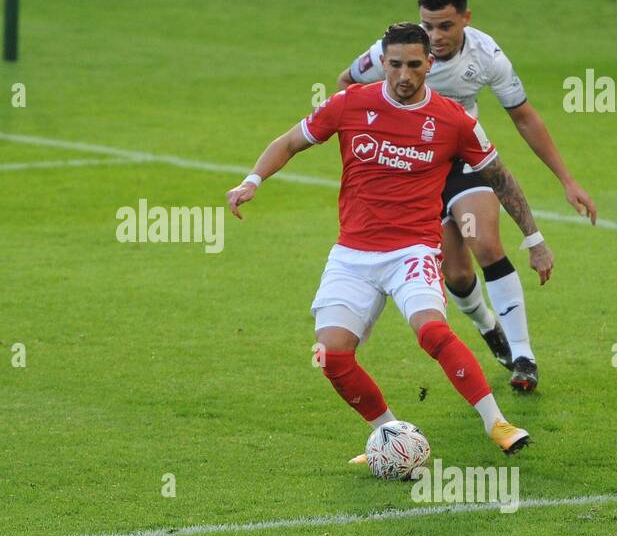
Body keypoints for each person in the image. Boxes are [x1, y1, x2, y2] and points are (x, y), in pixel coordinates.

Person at [231, 23, 553, 456]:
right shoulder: (350, 103)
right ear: (382, 63)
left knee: (432, 332)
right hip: (351, 255)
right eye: (396, 65)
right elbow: (290, 141)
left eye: (414, 65)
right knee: (331, 355)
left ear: (429, 65)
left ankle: (496, 423)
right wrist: (252, 180)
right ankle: (390, 433)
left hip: (412, 250)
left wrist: (534, 238)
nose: (404, 75)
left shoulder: (452, 120)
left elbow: (499, 176)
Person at [337, 0, 595, 392]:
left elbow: (524, 116)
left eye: (446, 26)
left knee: (487, 245)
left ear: (466, 19)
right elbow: (347, 85)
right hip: (416, 169)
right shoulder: (398, 54)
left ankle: (523, 356)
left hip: (465, 162)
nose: (435, 36)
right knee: (456, 276)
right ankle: (488, 327)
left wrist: (566, 180)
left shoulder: (487, 56)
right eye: (428, 25)